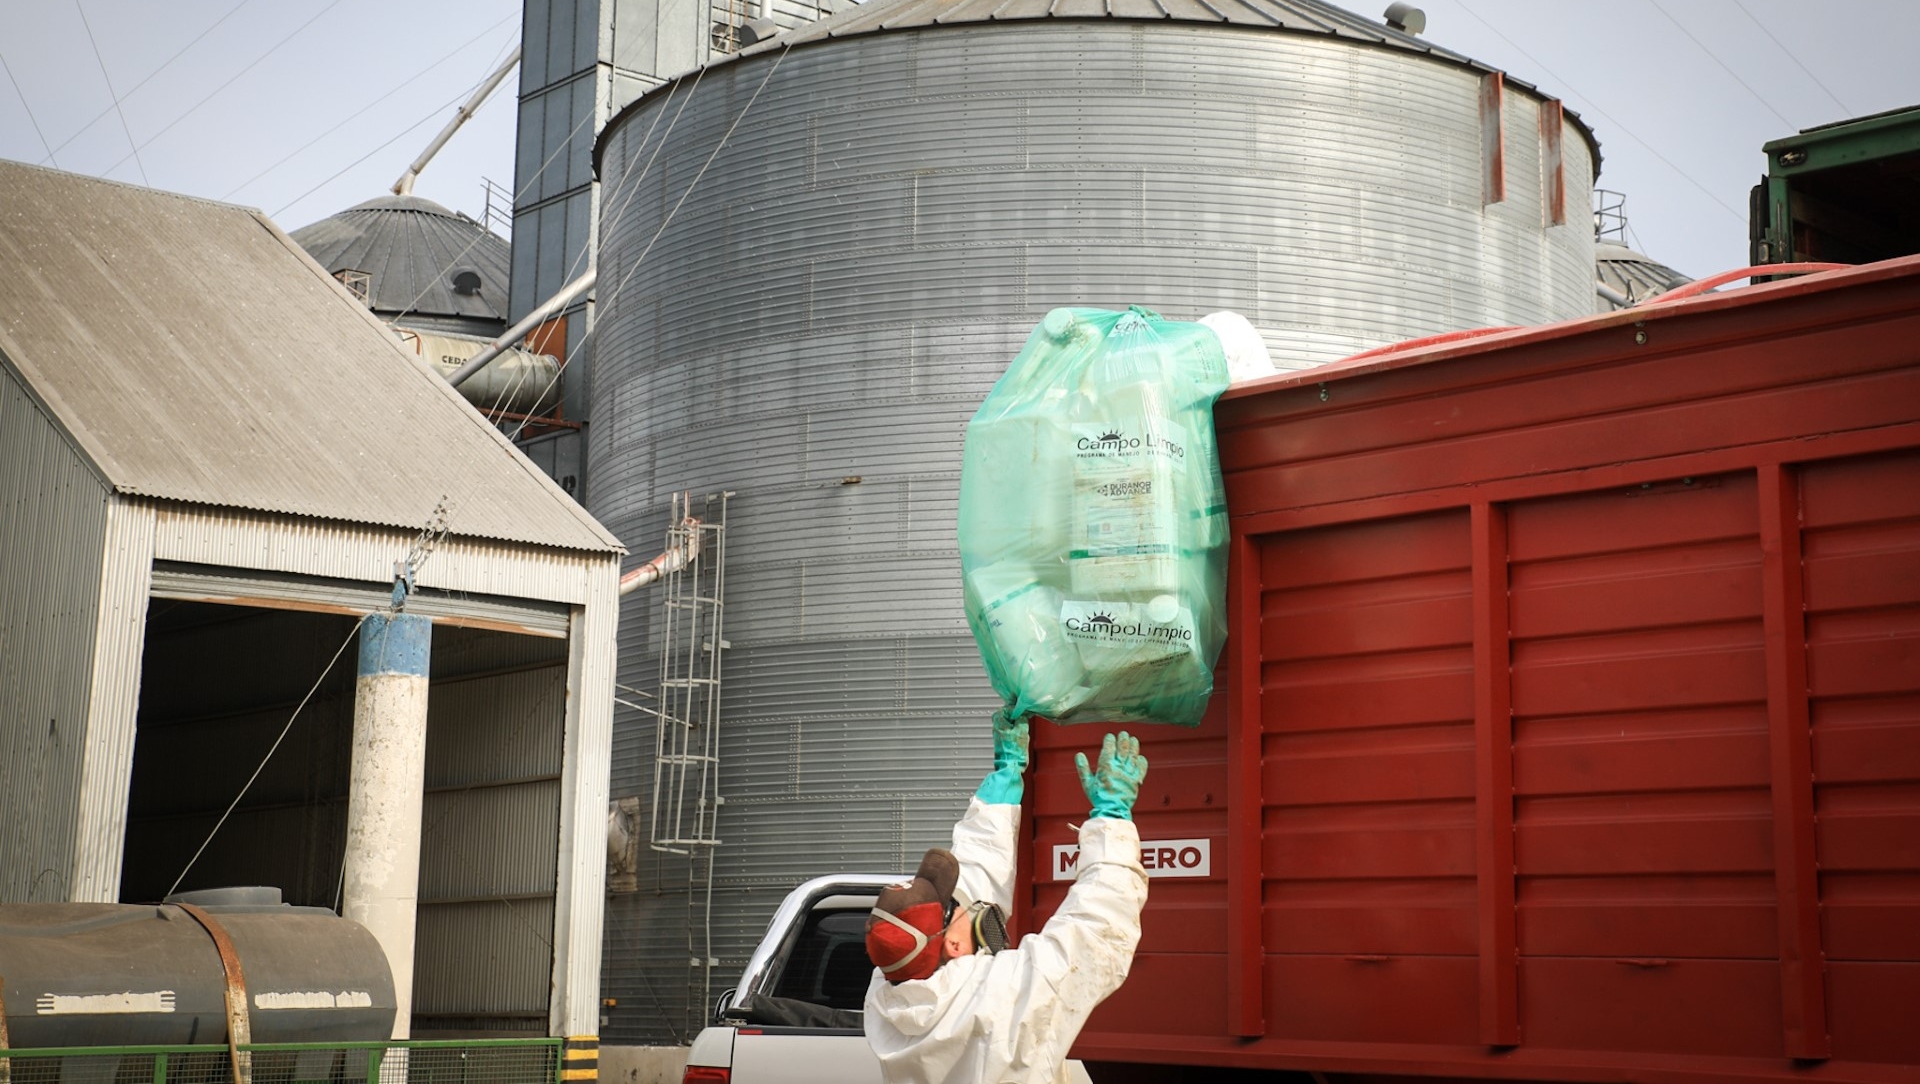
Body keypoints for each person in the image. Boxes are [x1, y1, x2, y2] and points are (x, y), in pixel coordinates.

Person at [863, 711, 1149, 1084]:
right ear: (951, 943)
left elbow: (974, 879)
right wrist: (1111, 822)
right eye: (953, 903)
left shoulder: (887, 1001)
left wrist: (1004, 780)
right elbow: (1096, 928)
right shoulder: (1006, 998)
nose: (965, 897)